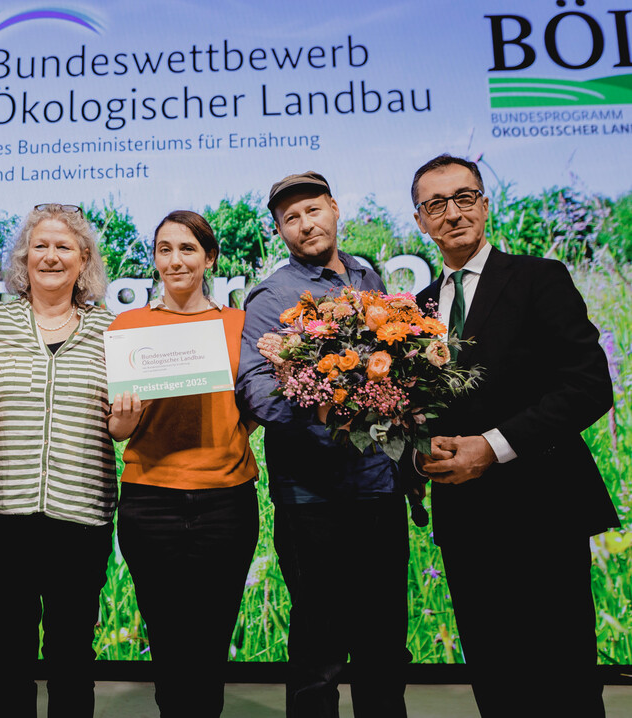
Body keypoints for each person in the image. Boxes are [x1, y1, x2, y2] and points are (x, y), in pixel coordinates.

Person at [410, 154, 618, 717]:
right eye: (436, 204)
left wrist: (492, 446)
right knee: (494, 673)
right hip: (465, 516)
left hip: (542, 507)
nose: (453, 213)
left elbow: (589, 386)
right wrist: (419, 449)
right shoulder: (416, 309)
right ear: (421, 221)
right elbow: (419, 410)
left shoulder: (538, 278)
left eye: (465, 198)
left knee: (563, 674)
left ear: (484, 204)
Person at [236, 171, 410, 718]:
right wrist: (329, 408)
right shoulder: (273, 295)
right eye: (291, 218)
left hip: (378, 487)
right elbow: (256, 391)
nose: (305, 224)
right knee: (320, 648)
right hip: (313, 498)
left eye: (313, 210)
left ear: (334, 208)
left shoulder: (366, 275)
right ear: (280, 231)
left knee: (385, 642)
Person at [108, 210, 259, 718]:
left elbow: (254, 406)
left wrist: (230, 431)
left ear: (209, 258)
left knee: (212, 638)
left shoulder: (237, 326)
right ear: (154, 260)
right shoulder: (128, 327)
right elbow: (116, 428)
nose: (175, 260)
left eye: (188, 249)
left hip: (226, 502)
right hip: (150, 501)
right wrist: (123, 423)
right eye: (165, 249)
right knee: (167, 637)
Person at [0, 203, 116, 718]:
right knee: (9, 649)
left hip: (81, 515)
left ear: (84, 261)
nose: (51, 256)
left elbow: (125, 422)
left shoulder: (112, 331)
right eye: (40, 246)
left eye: (64, 247)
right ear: (23, 257)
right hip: (2, 515)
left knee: (72, 650)